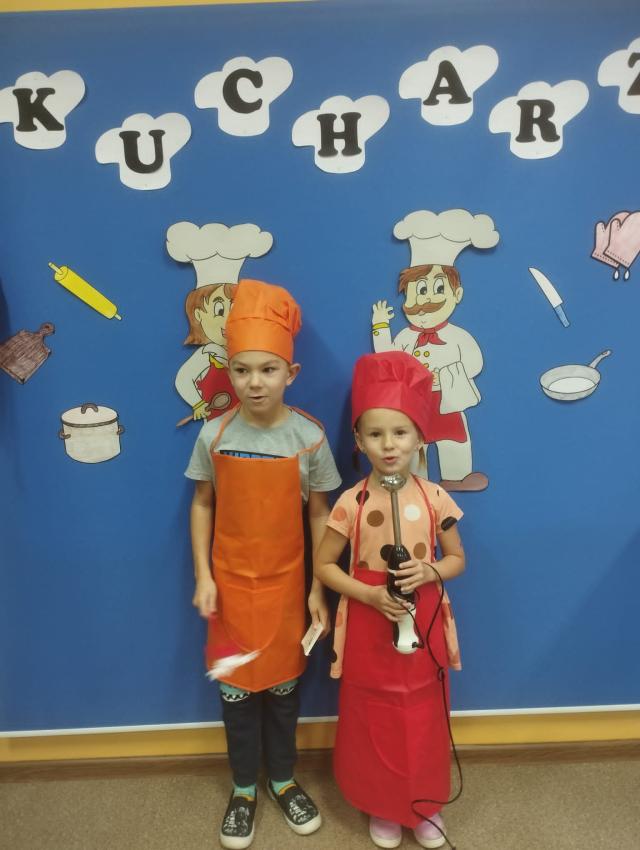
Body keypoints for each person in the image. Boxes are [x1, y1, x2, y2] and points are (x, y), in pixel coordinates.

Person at [185, 278, 341, 850]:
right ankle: (243, 789)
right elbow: (203, 504)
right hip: (228, 591)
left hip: (285, 591)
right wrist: (204, 576)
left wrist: (319, 588)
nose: (255, 382)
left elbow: (320, 516)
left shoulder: (309, 438)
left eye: (268, 370)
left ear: (290, 374)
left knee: (282, 697)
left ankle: (282, 780)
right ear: (228, 372)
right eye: (243, 369)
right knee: (236, 698)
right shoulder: (214, 435)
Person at [315, 351, 465, 849]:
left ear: (420, 437)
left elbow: (457, 559)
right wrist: (368, 594)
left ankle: (424, 803)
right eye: (375, 434)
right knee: (373, 716)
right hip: (368, 621)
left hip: (423, 621)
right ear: (358, 441)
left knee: (423, 715)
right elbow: (325, 565)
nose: (389, 444)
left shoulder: (435, 498)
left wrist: (430, 570)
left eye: (400, 432)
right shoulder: (350, 502)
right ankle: (381, 804)